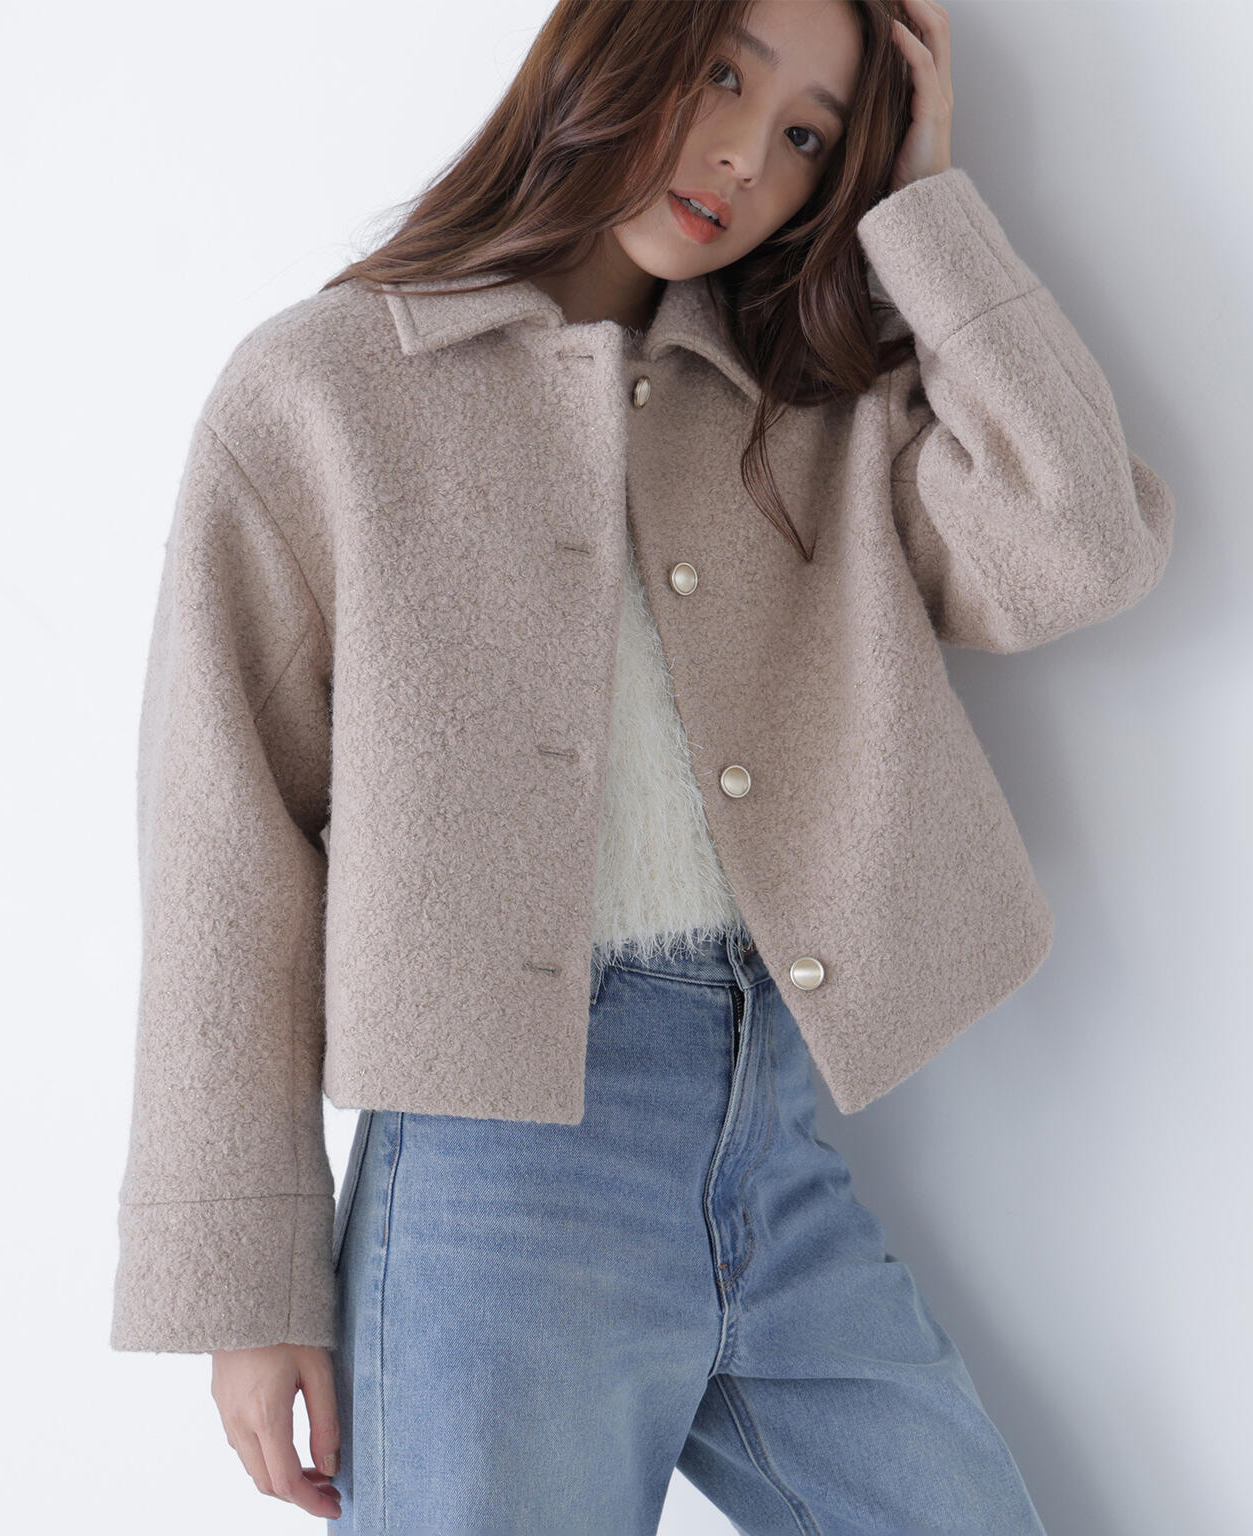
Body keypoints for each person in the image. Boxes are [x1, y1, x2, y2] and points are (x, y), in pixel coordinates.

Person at [109, 1, 1174, 1531]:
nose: (746, 155)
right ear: (613, 42)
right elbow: (224, 841)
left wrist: (927, 206)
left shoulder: (810, 409)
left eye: (807, 135)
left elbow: (1084, 546)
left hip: (775, 1141)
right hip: (496, 1191)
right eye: (722, 73)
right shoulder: (324, 390)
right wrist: (247, 1283)